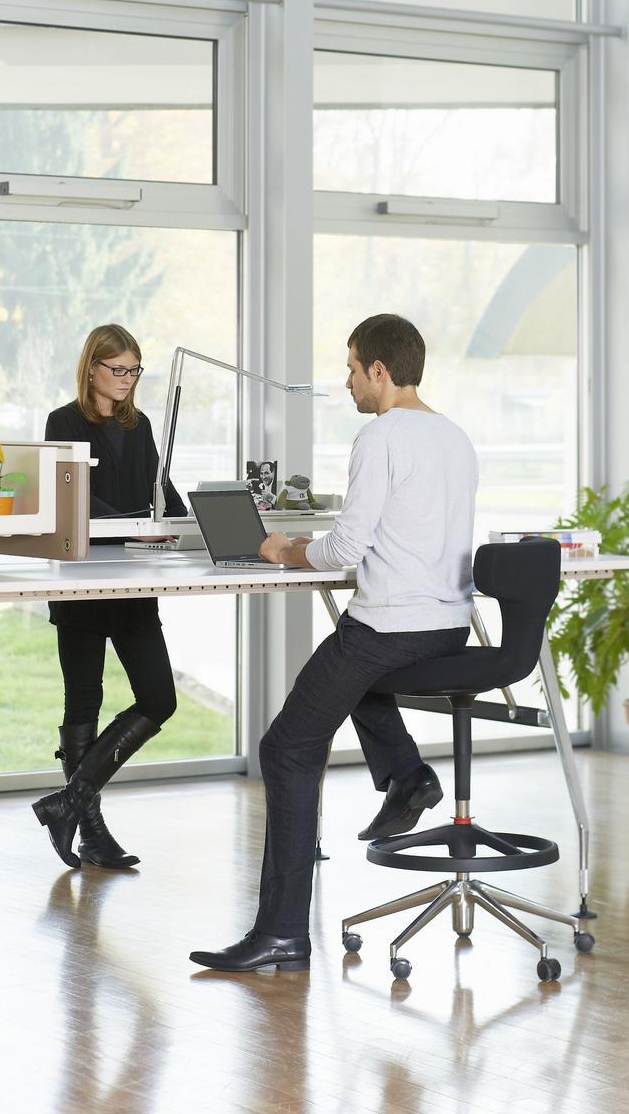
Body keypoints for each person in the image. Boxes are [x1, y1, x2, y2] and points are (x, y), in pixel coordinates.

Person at [190, 313, 478, 971]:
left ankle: (282, 933)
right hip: (445, 626)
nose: (347, 382)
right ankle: (406, 775)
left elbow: (346, 547)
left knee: (286, 748)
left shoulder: (380, 436)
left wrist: (285, 550)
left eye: (351, 368)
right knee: (344, 681)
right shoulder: (454, 437)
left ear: (379, 371)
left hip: (388, 627)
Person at [32, 324, 186, 870]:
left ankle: (68, 803)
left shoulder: (140, 425)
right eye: (118, 369)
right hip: (79, 582)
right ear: (91, 368)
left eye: (134, 370)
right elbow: (70, 497)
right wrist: (137, 526)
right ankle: (91, 832)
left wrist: (189, 519)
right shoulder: (63, 422)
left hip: (133, 583)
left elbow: (160, 490)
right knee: (84, 703)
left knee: (159, 697)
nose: (126, 380)